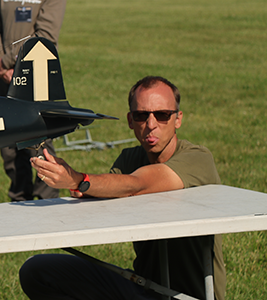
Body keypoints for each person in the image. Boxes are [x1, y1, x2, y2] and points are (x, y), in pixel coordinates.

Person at [19, 76, 226, 300]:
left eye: (162, 115)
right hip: (144, 290)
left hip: (188, 296)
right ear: (130, 120)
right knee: (37, 271)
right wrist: (82, 189)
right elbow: (108, 193)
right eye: (141, 115)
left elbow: (137, 185)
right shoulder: (130, 158)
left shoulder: (197, 158)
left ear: (178, 119)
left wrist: (77, 180)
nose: (151, 124)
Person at [0, 0, 67, 201]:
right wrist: (2, 64)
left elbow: (45, 36)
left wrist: (6, 62)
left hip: (36, 77)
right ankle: (18, 200)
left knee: (40, 140)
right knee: (8, 144)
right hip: (6, 77)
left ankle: (47, 200)